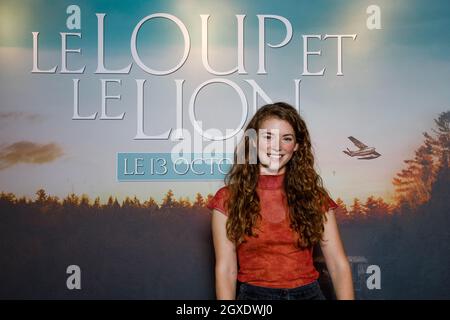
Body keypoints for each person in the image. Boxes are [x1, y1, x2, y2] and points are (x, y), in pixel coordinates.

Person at [207, 102, 354, 300]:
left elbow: (337, 263)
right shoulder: (227, 199)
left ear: (296, 146)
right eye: (268, 137)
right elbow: (226, 270)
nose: (277, 146)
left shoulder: (315, 197)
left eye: (286, 138)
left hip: (309, 295)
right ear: (253, 141)